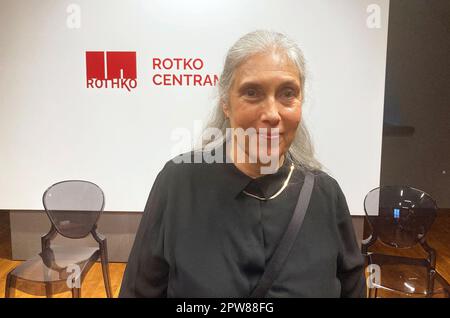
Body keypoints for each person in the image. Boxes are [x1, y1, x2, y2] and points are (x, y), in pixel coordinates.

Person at [119, 30, 366, 298]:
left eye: (287, 93)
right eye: (252, 92)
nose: (272, 114)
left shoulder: (326, 196)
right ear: (226, 103)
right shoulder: (178, 184)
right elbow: (139, 291)